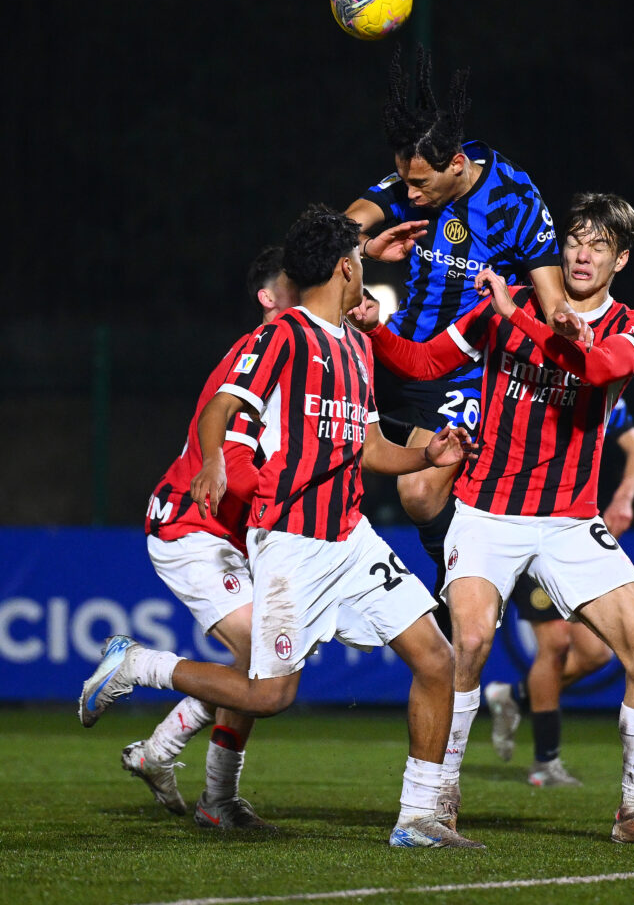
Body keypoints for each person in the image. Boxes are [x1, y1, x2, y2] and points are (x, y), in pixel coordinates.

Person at [79, 205, 484, 849]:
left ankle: (419, 819)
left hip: (349, 538)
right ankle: (143, 665)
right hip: (290, 544)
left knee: (437, 657)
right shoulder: (284, 336)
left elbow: (370, 444)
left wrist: (425, 456)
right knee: (269, 696)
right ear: (348, 269)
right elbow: (221, 405)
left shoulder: (355, 344)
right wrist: (213, 460)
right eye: (360, 262)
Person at [356, 192, 634, 845]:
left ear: (620, 259)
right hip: (486, 512)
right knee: (468, 645)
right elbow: (423, 363)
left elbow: (591, 370)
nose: (582, 254)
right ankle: (436, 801)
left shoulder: (633, 327)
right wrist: (374, 325)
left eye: (599, 245)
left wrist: (519, 318)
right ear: (558, 247)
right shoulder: (505, 306)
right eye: (574, 240)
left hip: (568, 522)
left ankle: (632, 813)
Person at [345, 46, 591, 637]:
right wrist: (353, 245)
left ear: (457, 163)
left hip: (463, 369)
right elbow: (348, 223)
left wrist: (564, 322)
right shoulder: (415, 171)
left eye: (421, 184)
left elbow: (551, 294)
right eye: (404, 182)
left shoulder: (514, 199)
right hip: (395, 348)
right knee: (332, 455)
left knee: (421, 491)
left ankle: (461, 585)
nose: (411, 193)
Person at [120, 246, 298, 828]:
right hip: (193, 525)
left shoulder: (298, 356)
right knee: (259, 658)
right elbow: (239, 469)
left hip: (237, 533)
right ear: (268, 299)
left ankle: (175, 767)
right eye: (296, 286)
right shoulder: (259, 356)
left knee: (267, 665)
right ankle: (140, 668)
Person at [484, 399, 634, 785]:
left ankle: (514, 696)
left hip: (574, 530)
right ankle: (545, 761)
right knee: (555, 644)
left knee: (596, 653)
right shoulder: (524, 378)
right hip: (524, 525)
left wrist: (624, 497)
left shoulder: (598, 384)